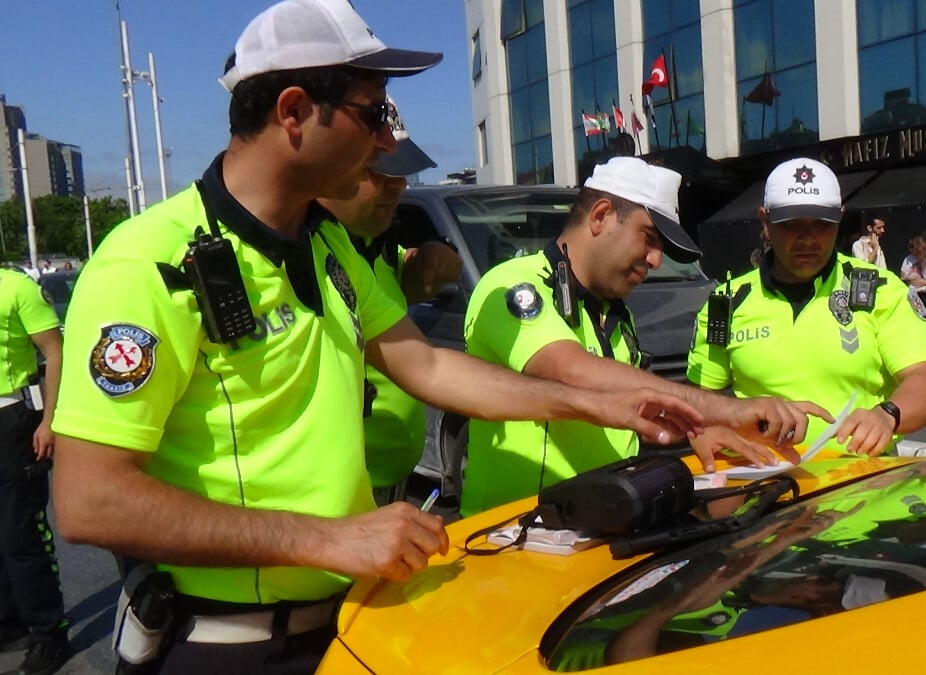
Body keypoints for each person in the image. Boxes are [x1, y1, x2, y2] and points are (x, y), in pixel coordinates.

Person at [48, 1, 705, 672]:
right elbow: (90, 499)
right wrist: (327, 539)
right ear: (295, 112)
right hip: (224, 646)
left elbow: (426, 364)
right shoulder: (148, 261)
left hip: (349, 623)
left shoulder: (328, 244)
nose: (389, 143)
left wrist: (599, 403)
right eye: (374, 114)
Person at [460, 156, 832, 516]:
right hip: (514, 537)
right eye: (649, 238)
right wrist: (730, 411)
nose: (655, 260)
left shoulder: (616, 315)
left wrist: (699, 432)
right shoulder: (514, 284)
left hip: (597, 528)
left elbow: (626, 421)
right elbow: (571, 371)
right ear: (601, 216)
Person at [688, 157, 926, 459]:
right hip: (762, 487)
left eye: (822, 225)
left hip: (858, 487)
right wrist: (706, 431)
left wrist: (887, 415)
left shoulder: (881, 290)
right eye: (792, 225)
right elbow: (702, 400)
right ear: (765, 222)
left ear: (839, 219)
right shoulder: (728, 302)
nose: (808, 239)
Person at [318, 98, 463, 506]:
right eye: (379, 172)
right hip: (334, 500)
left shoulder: (373, 251)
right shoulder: (303, 254)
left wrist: (436, 251)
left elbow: (416, 282)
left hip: (391, 486)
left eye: (402, 172)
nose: (398, 185)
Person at [0, 267, 71, 675]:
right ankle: (9, 624)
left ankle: (49, 633)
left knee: (21, 533)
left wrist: (50, 419)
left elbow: (55, 351)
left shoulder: (17, 288)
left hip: (12, 420)